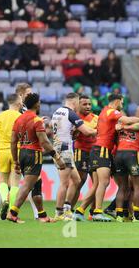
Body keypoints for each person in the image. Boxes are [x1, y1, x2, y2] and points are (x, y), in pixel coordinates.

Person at [74, 94, 139, 222]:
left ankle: (80, 211)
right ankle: (97, 212)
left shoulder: (104, 112)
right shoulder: (113, 111)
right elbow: (128, 120)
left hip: (97, 149)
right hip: (102, 150)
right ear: (117, 101)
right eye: (122, 103)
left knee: (97, 184)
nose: (122, 105)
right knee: (104, 182)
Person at [7, 93, 65, 223]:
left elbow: (12, 141)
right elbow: (44, 142)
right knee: (27, 185)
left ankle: (42, 215)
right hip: (33, 154)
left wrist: (16, 160)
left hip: (22, 153)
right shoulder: (36, 120)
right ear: (37, 104)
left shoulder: (19, 119)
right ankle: (13, 213)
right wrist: (57, 157)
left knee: (36, 184)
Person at [51, 93, 96, 221]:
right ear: (75, 102)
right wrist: (100, 130)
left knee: (76, 180)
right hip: (65, 148)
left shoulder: (57, 112)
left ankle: (67, 209)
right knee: (64, 183)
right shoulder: (71, 114)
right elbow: (87, 132)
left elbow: (53, 128)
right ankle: (59, 213)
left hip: (60, 146)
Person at [111, 105, 139, 222]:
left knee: (122, 187)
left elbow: (115, 138)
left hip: (118, 155)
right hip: (133, 154)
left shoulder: (126, 122)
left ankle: (119, 216)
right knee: (137, 187)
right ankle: (137, 217)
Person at [0, 94, 23, 220]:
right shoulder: (21, 117)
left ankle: (5, 198)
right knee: (15, 183)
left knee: (3, 181)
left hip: (3, 152)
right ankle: (11, 213)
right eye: (21, 101)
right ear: (18, 103)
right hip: (16, 151)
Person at [71, 95, 98, 210]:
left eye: (89, 104)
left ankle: (93, 211)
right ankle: (69, 209)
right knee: (79, 182)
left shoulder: (97, 118)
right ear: (78, 105)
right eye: (84, 104)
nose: (88, 106)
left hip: (95, 152)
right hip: (81, 152)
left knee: (97, 183)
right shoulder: (75, 118)